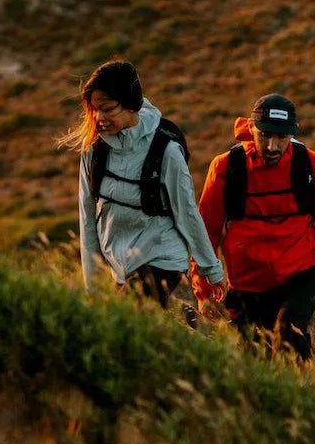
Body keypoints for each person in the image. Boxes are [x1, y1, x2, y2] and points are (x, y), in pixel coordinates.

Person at [62, 60, 226, 306]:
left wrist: (212, 270)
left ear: (131, 104)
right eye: (95, 109)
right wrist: (93, 286)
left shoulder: (166, 151)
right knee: (123, 331)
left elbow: (187, 212)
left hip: (162, 256)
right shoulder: (93, 151)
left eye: (107, 109)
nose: (99, 117)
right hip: (121, 264)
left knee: (127, 316)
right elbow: (87, 220)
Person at [196, 93, 315, 360]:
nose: (272, 146)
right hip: (247, 282)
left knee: (289, 338)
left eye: (281, 137)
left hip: (302, 273)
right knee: (254, 359)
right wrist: (203, 290)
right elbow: (205, 231)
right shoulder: (226, 168)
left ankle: (301, 397)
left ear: (292, 135)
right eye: (264, 135)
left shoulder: (313, 166)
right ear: (251, 129)